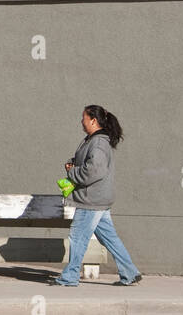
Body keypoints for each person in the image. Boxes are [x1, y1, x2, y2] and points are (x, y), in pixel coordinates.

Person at [49, 105, 142, 287]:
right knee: (110, 238)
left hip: (91, 199)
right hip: (99, 198)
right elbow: (89, 163)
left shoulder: (98, 143)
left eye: (83, 118)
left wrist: (73, 173)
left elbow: (94, 170)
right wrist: (74, 164)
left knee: (78, 237)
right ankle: (130, 272)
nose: (81, 121)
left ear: (93, 120)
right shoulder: (93, 140)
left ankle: (70, 276)